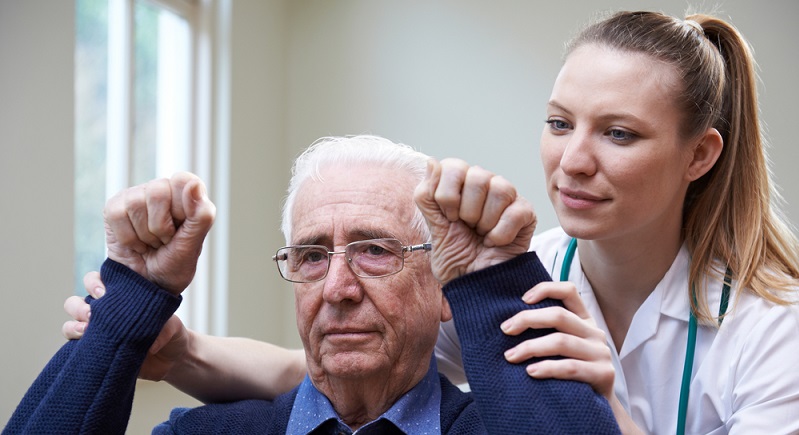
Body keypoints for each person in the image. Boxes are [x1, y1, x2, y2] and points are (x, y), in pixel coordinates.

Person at [62, 9, 799, 434]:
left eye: (617, 133)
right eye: (557, 121)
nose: (571, 160)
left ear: (699, 154)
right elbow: (342, 358)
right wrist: (168, 347)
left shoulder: (773, 329)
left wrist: (605, 411)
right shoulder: (513, 275)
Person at [6, 136, 620, 434]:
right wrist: (130, 300)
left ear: (443, 289)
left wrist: (492, 285)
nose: (337, 288)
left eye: (376, 251)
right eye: (310, 256)